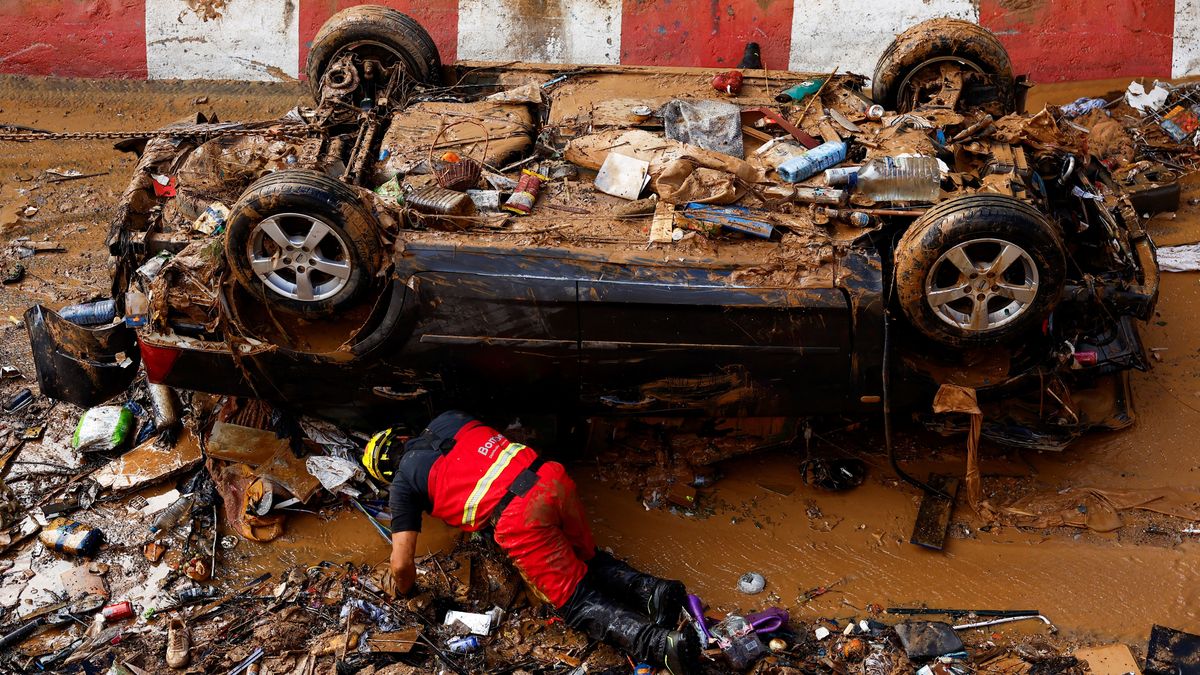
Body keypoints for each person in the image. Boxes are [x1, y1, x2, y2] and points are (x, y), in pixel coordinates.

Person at [362, 410, 700, 674]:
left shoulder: (403, 484)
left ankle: (661, 645)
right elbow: (475, 464)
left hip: (520, 516)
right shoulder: (448, 418)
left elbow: (401, 564)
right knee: (584, 557)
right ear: (405, 435)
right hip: (550, 477)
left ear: (386, 474)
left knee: (574, 602)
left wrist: (407, 593)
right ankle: (654, 591)